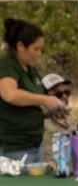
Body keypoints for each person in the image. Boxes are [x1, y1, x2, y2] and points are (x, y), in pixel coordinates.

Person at [0, 18, 65, 161]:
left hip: (33, 145)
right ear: (20, 46)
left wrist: (51, 110)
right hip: (13, 148)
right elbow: (9, 94)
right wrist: (45, 99)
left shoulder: (30, 70)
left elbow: (29, 103)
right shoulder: (6, 65)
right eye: (36, 49)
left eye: (41, 49)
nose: (39, 54)